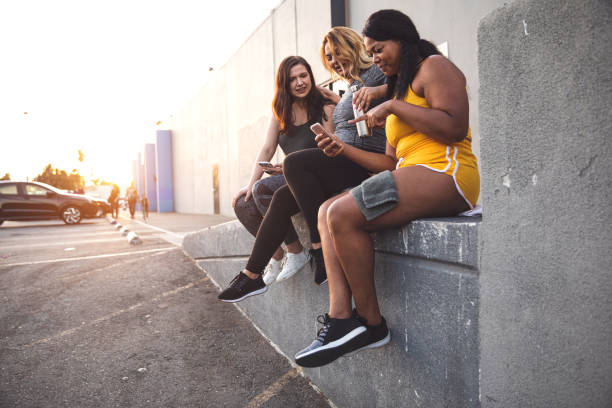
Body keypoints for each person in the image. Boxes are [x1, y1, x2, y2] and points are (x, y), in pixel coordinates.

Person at [294, 9, 480, 368]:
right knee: (325, 211)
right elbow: (390, 166)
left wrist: (393, 105)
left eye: (379, 50)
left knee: (343, 213)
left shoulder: (434, 67)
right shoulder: (399, 87)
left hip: (448, 172)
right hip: (412, 174)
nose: (375, 58)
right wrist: (341, 147)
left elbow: (455, 126)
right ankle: (340, 318)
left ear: (400, 39)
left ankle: (371, 323)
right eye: (372, 52)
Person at [218, 27, 388, 302]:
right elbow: (268, 147)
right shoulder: (350, 85)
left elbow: (400, 84)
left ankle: (316, 250)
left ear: (352, 46)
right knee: (281, 194)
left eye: (337, 54)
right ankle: (252, 275)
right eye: (329, 57)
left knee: (291, 166)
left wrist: (373, 92)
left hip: (357, 161)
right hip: (341, 158)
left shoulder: (371, 77)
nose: (333, 61)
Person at [230, 56, 336, 290]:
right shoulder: (280, 114)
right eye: (292, 79)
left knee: (262, 189)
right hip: (290, 178)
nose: (299, 82)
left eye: (303, 76)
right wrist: (250, 183)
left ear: (311, 76)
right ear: (284, 85)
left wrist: (287, 166)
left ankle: (296, 251)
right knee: (242, 203)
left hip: (316, 180)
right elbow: (267, 149)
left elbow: (331, 152)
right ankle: (276, 256)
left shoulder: (325, 107)